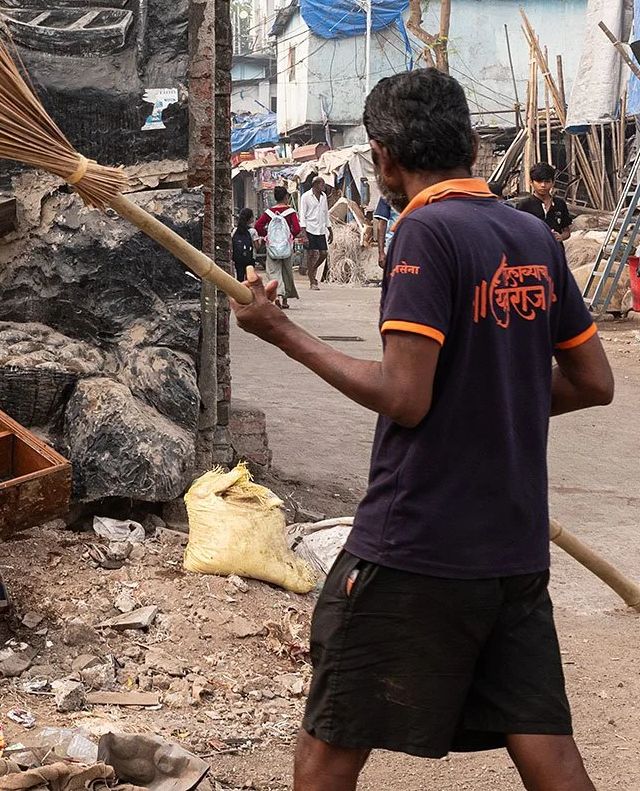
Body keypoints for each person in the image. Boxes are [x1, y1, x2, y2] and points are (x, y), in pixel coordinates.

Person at [231, 69, 616, 791]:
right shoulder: (532, 234)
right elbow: (595, 380)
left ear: (381, 158)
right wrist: (495, 397)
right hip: (512, 548)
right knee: (548, 749)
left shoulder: (422, 232)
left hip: (417, 543)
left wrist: (283, 331)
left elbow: (405, 395)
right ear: (471, 143)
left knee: (328, 745)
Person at [255, 189, 303, 308]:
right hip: (286, 247)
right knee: (287, 272)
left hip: (272, 248)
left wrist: (267, 236)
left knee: (273, 272)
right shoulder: (290, 212)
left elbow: (258, 225)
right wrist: (290, 237)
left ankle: (276, 295)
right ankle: (285, 300)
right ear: (286, 197)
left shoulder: (269, 212)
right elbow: (297, 229)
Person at [510, 162, 573, 241]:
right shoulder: (524, 205)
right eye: (539, 181)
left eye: (547, 181)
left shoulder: (559, 204)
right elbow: (516, 232)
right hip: (534, 250)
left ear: (553, 183)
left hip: (555, 250)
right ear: (531, 182)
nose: (543, 185)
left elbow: (567, 232)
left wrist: (560, 237)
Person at [299, 173, 333, 289]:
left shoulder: (323, 197)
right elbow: (302, 216)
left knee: (323, 253)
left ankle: (312, 270)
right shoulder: (306, 197)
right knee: (310, 254)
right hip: (310, 228)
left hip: (320, 229)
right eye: (321, 184)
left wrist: (330, 229)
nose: (323, 186)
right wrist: (304, 235)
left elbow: (325, 213)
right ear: (315, 185)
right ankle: (312, 281)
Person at [232, 208, 258, 285]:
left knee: (239, 277)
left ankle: (239, 293)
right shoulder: (253, 231)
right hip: (250, 258)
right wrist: (260, 240)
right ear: (250, 219)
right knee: (250, 278)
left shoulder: (235, 230)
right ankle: (248, 294)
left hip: (238, 258)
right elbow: (257, 246)